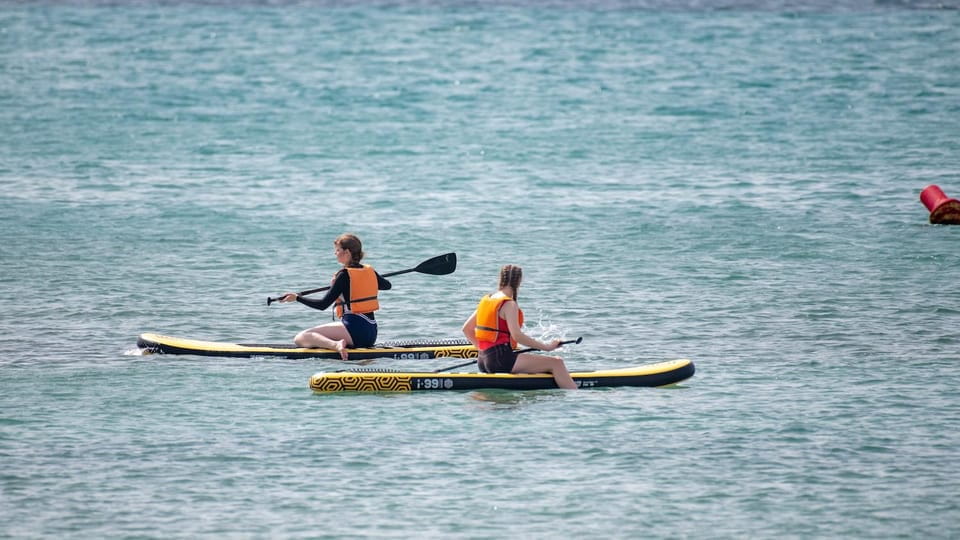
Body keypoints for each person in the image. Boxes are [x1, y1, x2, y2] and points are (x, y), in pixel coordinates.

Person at [461, 264, 577, 390]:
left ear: (501, 279)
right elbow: (517, 336)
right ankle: (577, 397)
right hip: (501, 360)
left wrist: (485, 351)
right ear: (519, 281)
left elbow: (466, 329)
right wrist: (547, 347)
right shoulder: (509, 304)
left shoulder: (487, 300)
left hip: (483, 360)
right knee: (557, 363)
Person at [279, 233, 392, 360]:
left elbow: (322, 305)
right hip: (371, 332)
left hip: (355, 330)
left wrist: (297, 298)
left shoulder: (344, 275)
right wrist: (368, 278)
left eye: (338, 250)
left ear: (347, 252)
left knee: (301, 337)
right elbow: (387, 285)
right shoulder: (369, 271)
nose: (335, 253)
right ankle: (339, 343)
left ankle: (336, 345)